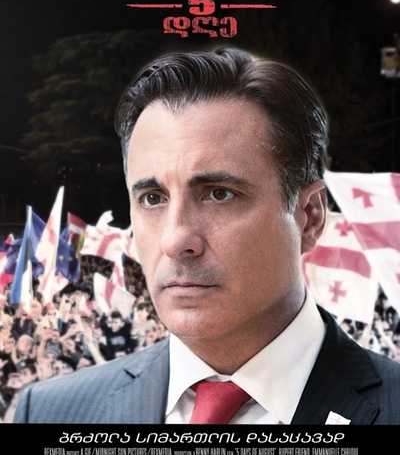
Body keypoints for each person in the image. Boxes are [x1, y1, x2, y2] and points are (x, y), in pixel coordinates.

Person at [13, 46, 400, 425]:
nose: (174, 240)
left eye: (219, 194)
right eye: (152, 198)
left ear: (310, 217)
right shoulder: (49, 413)